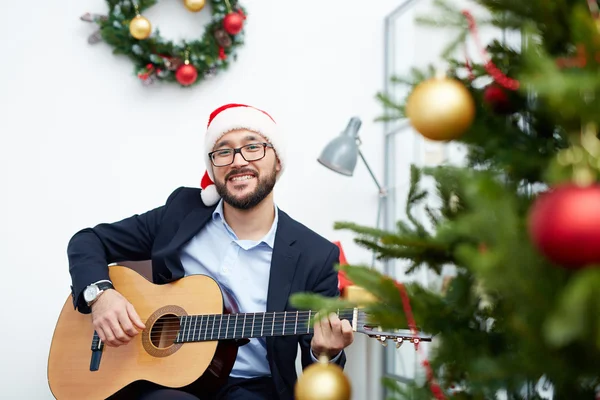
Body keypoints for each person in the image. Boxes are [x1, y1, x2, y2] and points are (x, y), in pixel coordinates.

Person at [67, 103, 354, 400]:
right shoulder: (181, 213)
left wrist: (325, 354)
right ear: (213, 166)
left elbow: (317, 379)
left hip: (250, 388)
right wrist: (100, 295)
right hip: (160, 380)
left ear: (277, 161)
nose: (238, 161)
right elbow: (88, 240)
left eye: (253, 147)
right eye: (223, 151)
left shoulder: (315, 255)